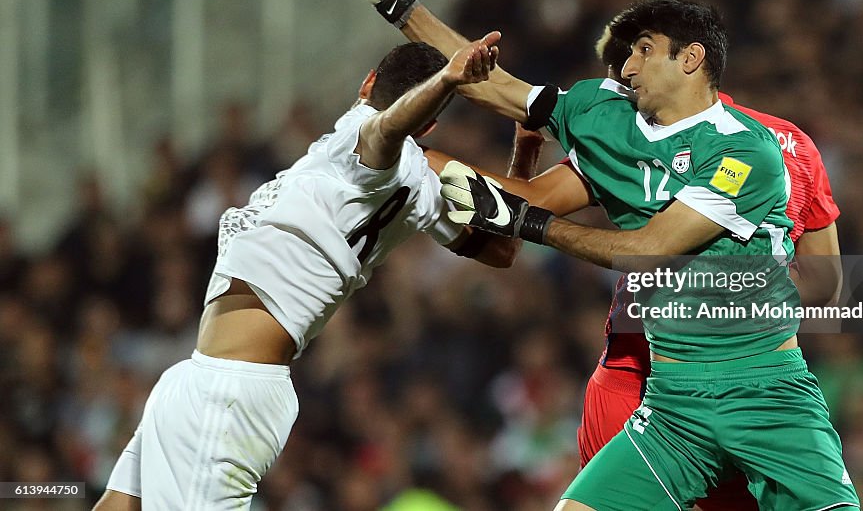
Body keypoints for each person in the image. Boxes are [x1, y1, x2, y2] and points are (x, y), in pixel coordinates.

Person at [342, 0, 858, 510]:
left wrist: (526, 221)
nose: (626, 66)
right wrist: (397, 2)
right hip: (668, 398)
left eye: (641, 50)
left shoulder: (758, 148)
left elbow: (654, 247)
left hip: (761, 387)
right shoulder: (604, 117)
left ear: (689, 60)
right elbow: (493, 83)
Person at [93, 35, 536, 510]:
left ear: (368, 84)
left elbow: (383, 132)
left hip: (230, 388)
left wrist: (449, 77)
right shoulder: (425, 188)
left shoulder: (362, 131)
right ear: (430, 126)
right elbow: (503, 249)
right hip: (200, 377)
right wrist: (526, 144)